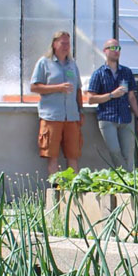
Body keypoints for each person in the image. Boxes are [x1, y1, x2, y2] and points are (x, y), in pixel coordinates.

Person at [84, 39, 138, 168]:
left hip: (125, 117)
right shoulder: (99, 74)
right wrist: (111, 95)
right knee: (115, 152)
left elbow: (131, 97)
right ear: (105, 51)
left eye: (118, 49)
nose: (116, 51)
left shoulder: (126, 72)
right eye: (113, 48)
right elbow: (91, 99)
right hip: (107, 117)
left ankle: (129, 182)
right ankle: (124, 178)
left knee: (128, 153)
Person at [31, 31, 83, 173]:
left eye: (68, 43)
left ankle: (72, 190)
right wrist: (58, 88)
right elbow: (34, 87)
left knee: (73, 155)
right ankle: (55, 191)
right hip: (52, 117)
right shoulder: (44, 63)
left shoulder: (72, 64)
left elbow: (78, 89)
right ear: (54, 44)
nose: (66, 46)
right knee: (52, 156)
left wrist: (80, 111)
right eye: (63, 43)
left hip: (71, 117)